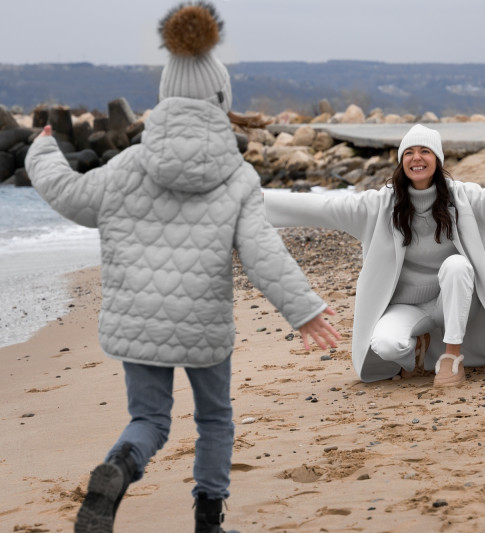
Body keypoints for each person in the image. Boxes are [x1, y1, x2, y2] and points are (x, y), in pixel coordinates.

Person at [25, 3, 339, 532]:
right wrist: (304, 310)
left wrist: (42, 154)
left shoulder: (127, 165)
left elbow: (72, 197)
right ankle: (208, 522)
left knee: (148, 419)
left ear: (166, 95)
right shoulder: (237, 177)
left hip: (135, 320)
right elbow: (262, 251)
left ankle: (120, 466)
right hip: (202, 327)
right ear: (222, 99)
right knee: (214, 419)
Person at [263, 123, 485, 388]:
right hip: (404, 306)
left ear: (436, 159)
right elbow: (317, 206)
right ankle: (416, 355)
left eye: (424, 152)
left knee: (456, 265)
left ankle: (452, 357)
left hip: (452, 299)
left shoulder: (464, 198)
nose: (416, 158)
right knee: (386, 346)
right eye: (409, 152)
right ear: (401, 161)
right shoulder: (377, 205)